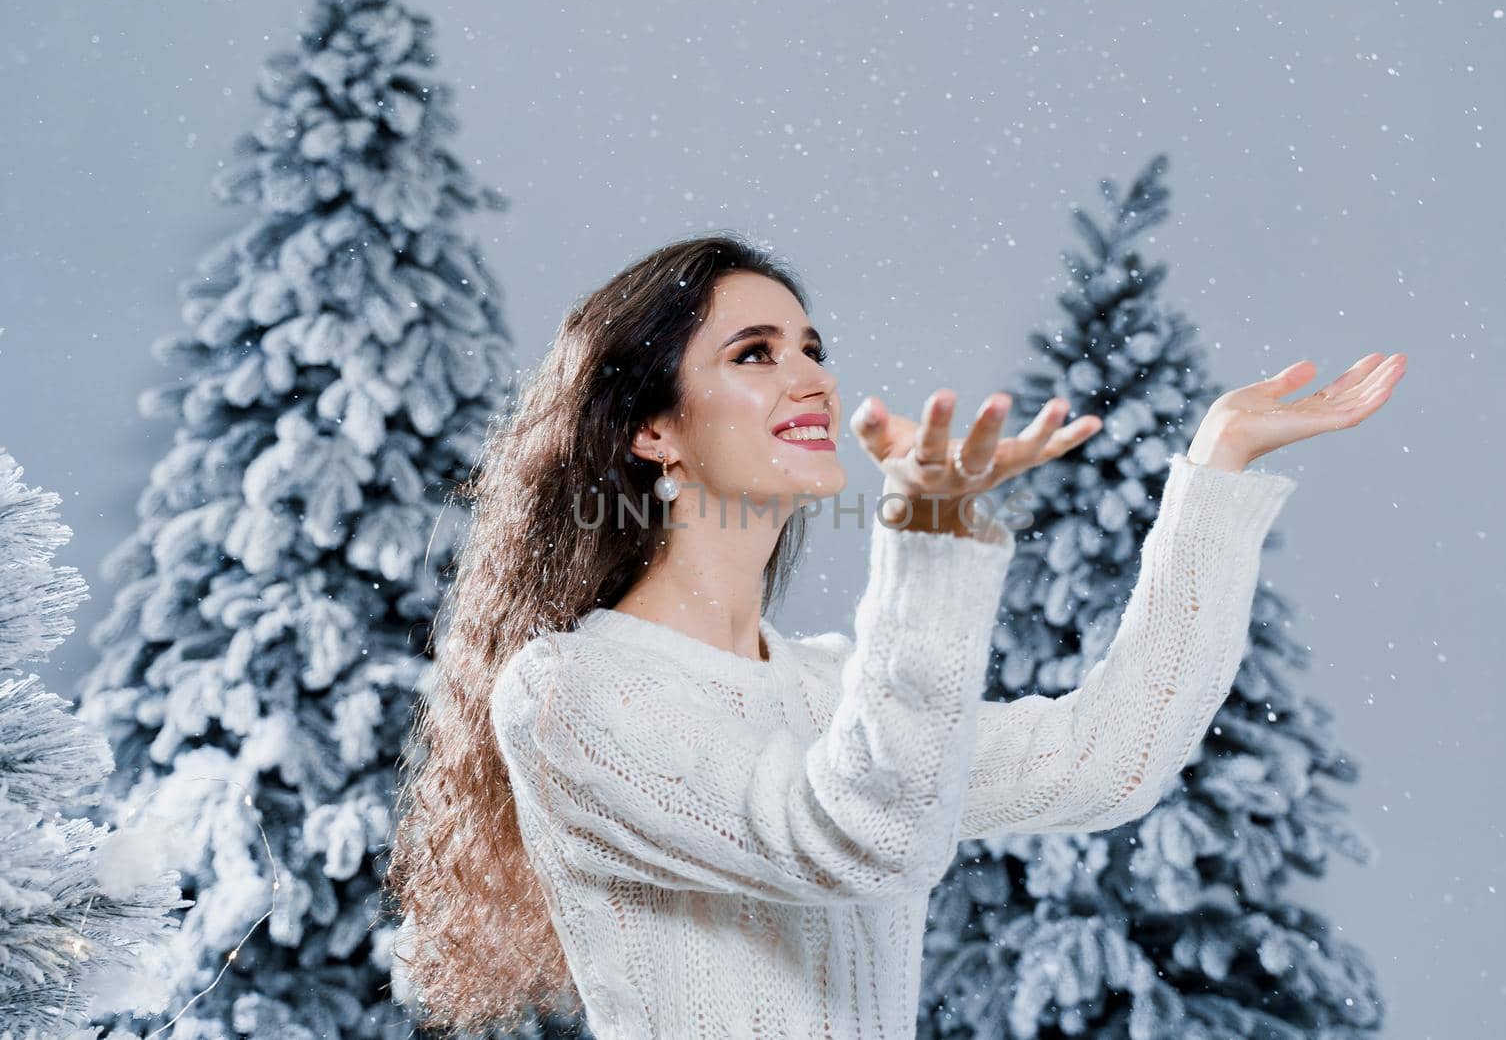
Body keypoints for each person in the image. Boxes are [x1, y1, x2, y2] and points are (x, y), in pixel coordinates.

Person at [385, 231, 1406, 1039]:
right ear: (652, 429)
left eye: (813, 349)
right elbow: (856, 837)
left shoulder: (836, 690)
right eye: (754, 353)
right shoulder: (571, 692)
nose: (812, 378)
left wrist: (1217, 473)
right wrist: (927, 537)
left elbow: (1110, 758)